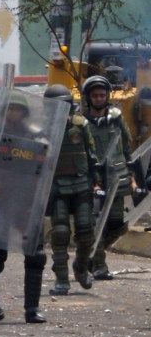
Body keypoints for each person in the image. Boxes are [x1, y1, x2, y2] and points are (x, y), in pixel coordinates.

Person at [0, 89, 53, 323]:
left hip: (27, 201)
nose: (13, 113)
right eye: (10, 108)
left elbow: (46, 168)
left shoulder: (36, 138)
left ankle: (32, 308)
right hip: (1, 201)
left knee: (36, 254)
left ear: (24, 112)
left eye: (18, 109)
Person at [45, 84, 101, 296]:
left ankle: (80, 267)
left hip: (81, 185)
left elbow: (92, 155)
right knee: (60, 233)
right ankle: (61, 279)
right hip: (57, 187)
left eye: (64, 103)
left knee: (86, 232)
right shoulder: (43, 129)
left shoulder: (81, 124)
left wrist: (97, 182)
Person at [82, 75, 135, 280]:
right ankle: (99, 265)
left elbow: (127, 150)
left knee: (117, 223)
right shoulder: (84, 124)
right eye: (94, 95)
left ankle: (87, 256)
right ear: (88, 97)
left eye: (102, 95)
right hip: (93, 180)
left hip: (117, 177)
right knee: (99, 224)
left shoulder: (117, 119)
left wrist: (131, 176)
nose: (98, 98)